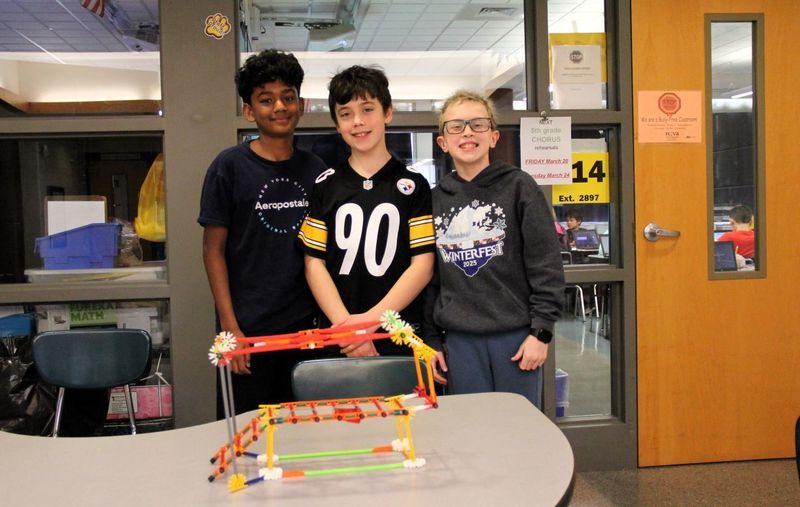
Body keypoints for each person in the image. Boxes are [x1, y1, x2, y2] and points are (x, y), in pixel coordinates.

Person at [198, 50, 327, 417]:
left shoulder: (316, 169)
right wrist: (230, 329)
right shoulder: (229, 167)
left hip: (305, 330)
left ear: (301, 105)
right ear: (249, 111)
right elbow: (212, 251)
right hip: (248, 331)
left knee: (305, 432)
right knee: (248, 433)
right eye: (266, 100)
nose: (279, 107)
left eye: (288, 97)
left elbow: (322, 252)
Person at [423, 90, 565, 408]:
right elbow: (431, 278)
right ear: (443, 142)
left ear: (493, 136)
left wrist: (541, 333)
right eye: (456, 126)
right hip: (459, 342)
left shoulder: (520, 187)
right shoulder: (434, 200)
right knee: (470, 428)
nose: (467, 132)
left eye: (478, 124)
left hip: (516, 340)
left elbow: (546, 265)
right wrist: (431, 340)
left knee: (517, 427)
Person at [298, 65, 435, 357]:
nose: (358, 121)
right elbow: (313, 263)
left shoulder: (415, 186)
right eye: (346, 114)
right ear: (337, 124)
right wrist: (348, 330)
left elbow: (423, 265)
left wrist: (370, 322)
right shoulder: (325, 185)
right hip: (339, 337)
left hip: (398, 335)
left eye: (368, 109)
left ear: (388, 112)